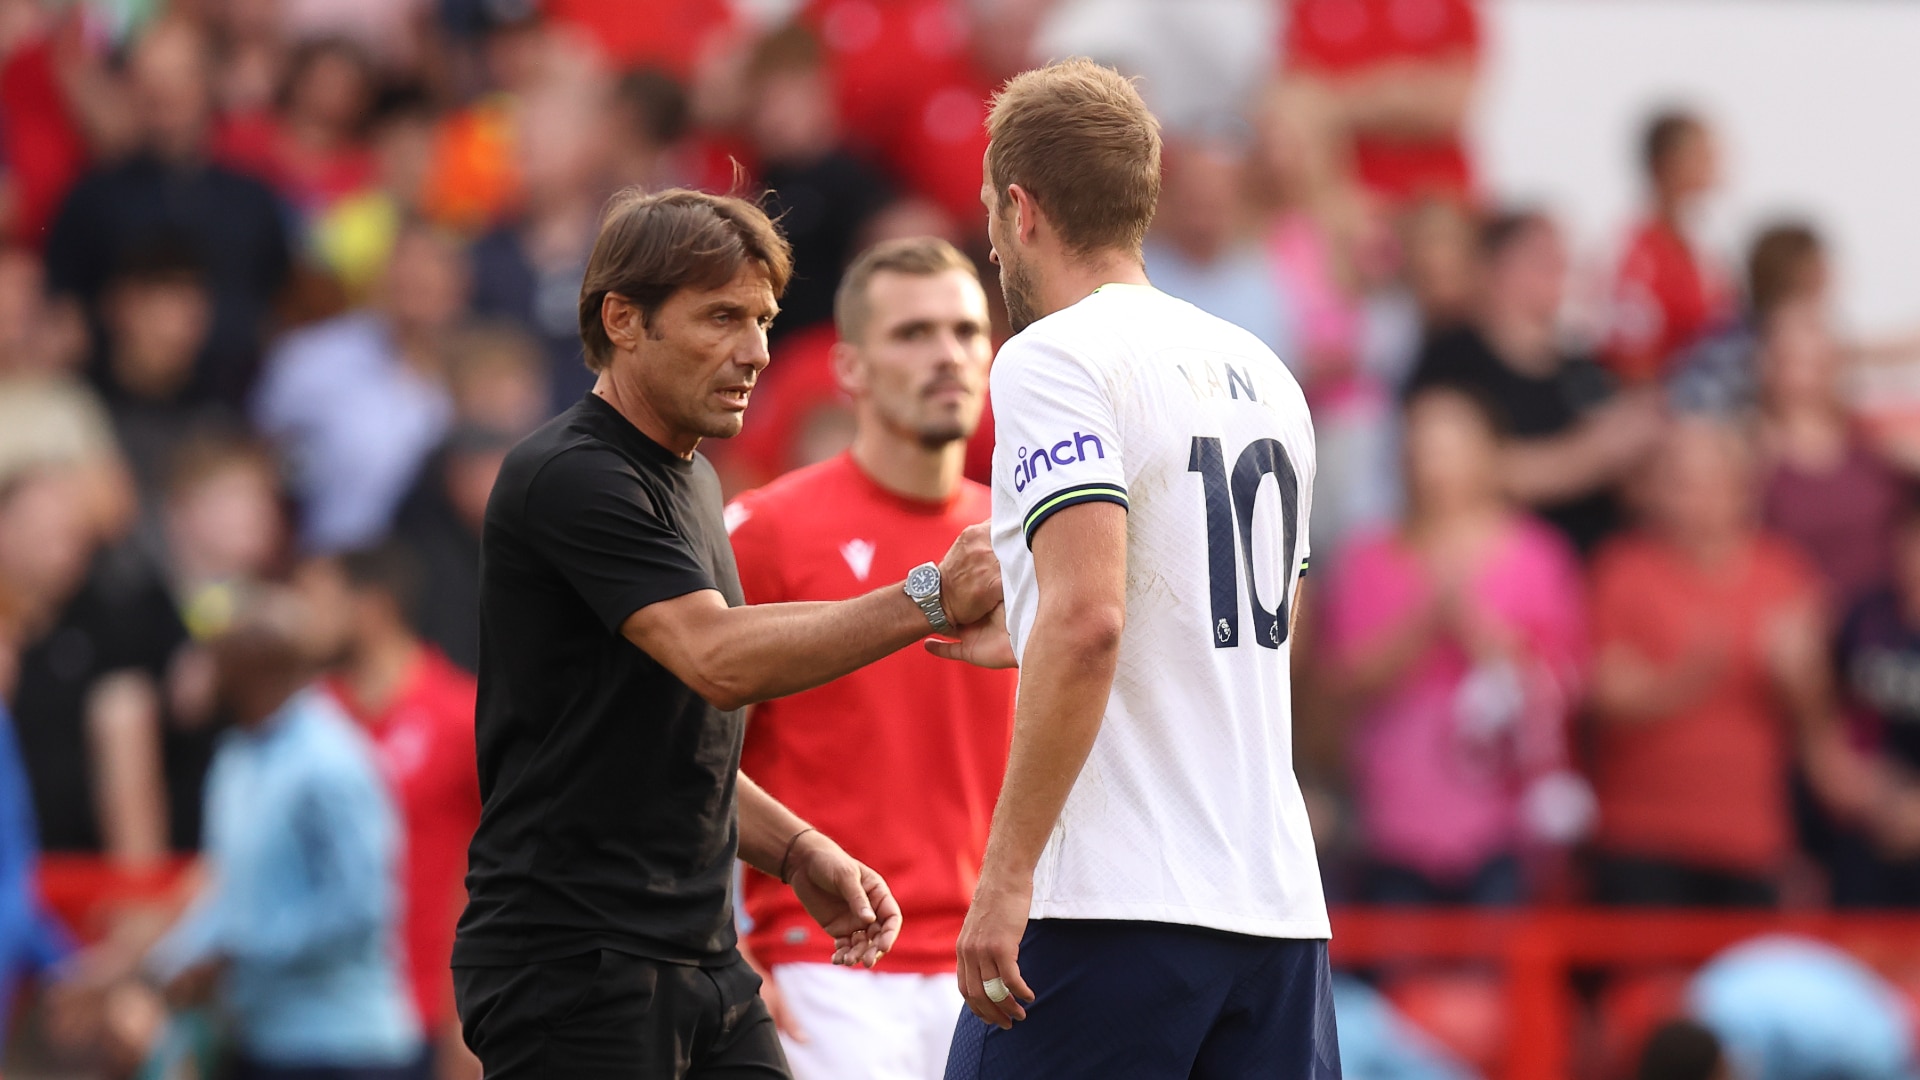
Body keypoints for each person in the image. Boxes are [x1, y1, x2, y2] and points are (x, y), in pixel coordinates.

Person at [451, 187, 1004, 1078]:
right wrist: (931, 597)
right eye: (721, 318)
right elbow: (716, 660)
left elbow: (660, 737)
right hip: (571, 961)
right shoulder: (571, 474)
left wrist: (797, 849)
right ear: (623, 319)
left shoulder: (693, 480)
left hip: (701, 955)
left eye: (763, 319)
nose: (755, 352)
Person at [940, 59, 1337, 1077]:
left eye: (990, 209)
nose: (989, 238)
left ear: (1021, 209)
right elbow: (1270, 625)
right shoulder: (1269, 374)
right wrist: (1032, 620)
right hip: (1276, 909)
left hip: (1110, 906)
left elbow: (1091, 621)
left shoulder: (1052, 357)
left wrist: (1006, 874)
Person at [725, 236, 1017, 1079]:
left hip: (999, 963)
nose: (948, 357)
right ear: (848, 368)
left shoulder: (1030, 539)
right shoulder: (767, 531)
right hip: (825, 970)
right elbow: (682, 756)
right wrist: (720, 948)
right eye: (913, 334)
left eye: (966, 333)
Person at [103, 587, 422, 1079]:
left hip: (344, 1049)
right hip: (262, 1042)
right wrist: (153, 970)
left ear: (262, 669)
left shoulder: (331, 760)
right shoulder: (237, 759)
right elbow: (229, 894)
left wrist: (240, 958)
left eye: (221, 659)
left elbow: (361, 907)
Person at [1319, 387, 1587, 905]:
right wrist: (1424, 626)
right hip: (1394, 813)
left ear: (1489, 455)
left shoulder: (1537, 556)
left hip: (1505, 821)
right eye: (1420, 445)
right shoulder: (1368, 558)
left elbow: (1565, 681)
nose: (1431, 462)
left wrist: (1484, 636)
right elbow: (1341, 685)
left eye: (1449, 446)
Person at [1585, 420, 1834, 906]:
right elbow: (1606, 696)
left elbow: (1814, 719)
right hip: (1642, 836)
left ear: (1743, 489)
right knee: (1646, 983)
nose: (1697, 497)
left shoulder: (1783, 572)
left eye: (1713, 482)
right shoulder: (1622, 568)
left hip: (1749, 838)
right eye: (1681, 482)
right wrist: (1686, 680)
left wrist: (1800, 677)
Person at [44, 18, 291, 408]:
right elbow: (65, 309)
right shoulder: (93, 197)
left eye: (179, 76)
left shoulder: (252, 199)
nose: (165, 92)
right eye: (150, 78)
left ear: (209, 83)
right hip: (117, 413)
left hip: (228, 409)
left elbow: (277, 299)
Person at [306, 544, 482, 1078]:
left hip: (427, 1010)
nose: (302, 619)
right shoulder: (308, 720)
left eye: (317, 601)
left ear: (371, 608)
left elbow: (498, 865)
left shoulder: (460, 714)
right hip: (320, 1016)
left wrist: (469, 1009)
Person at [1408, 209, 1665, 554]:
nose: (1558, 267)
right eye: (1539, 256)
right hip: (1497, 564)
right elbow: (1465, 471)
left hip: (1593, 559)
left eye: (1562, 257)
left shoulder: (1583, 365)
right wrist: (1593, 454)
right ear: (1490, 266)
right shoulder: (1452, 357)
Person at [251, 218, 466, 553]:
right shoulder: (313, 358)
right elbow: (258, 454)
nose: (415, 277)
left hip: (447, 578)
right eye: (405, 262)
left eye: (434, 264)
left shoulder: (483, 367)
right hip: (336, 564)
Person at [1604, 110, 1730, 386]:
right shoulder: (1637, 254)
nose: (1714, 165)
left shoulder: (1702, 249)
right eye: (1700, 155)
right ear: (1664, 164)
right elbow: (1631, 362)